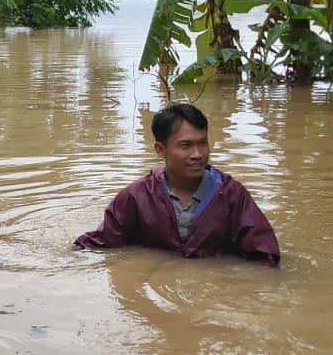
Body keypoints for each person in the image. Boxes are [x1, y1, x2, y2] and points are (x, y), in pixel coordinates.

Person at [74, 104, 280, 264]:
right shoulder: (137, 196)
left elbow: (264, 257)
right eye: (186, 146)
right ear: (160, 150)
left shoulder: (231, 194)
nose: (197, 154)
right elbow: (103, 243)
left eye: (203, 143)